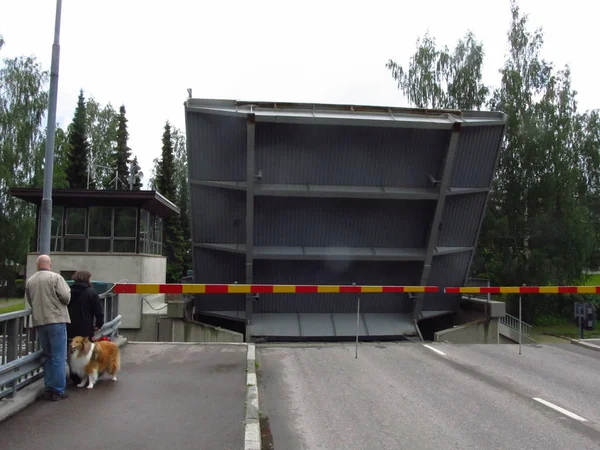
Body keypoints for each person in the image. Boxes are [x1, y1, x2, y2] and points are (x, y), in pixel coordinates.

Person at [25, 254, 71, 401]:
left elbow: (30, 300)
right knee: (59, 357)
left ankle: (49, 388)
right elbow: (65, 297)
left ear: (38, 265)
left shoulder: (30, 281)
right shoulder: (55, 278)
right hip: (56, 320)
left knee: (48, 356)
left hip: (40, 321)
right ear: (49, 265)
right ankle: (58, 390)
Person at [67, 270, 104, 341]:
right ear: (87, 279)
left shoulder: (69, 291)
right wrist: (99, 324)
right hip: (86, 328)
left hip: (70, 326)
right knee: (86, 349)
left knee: (72, 347)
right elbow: (98, 310)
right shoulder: (91, 292)